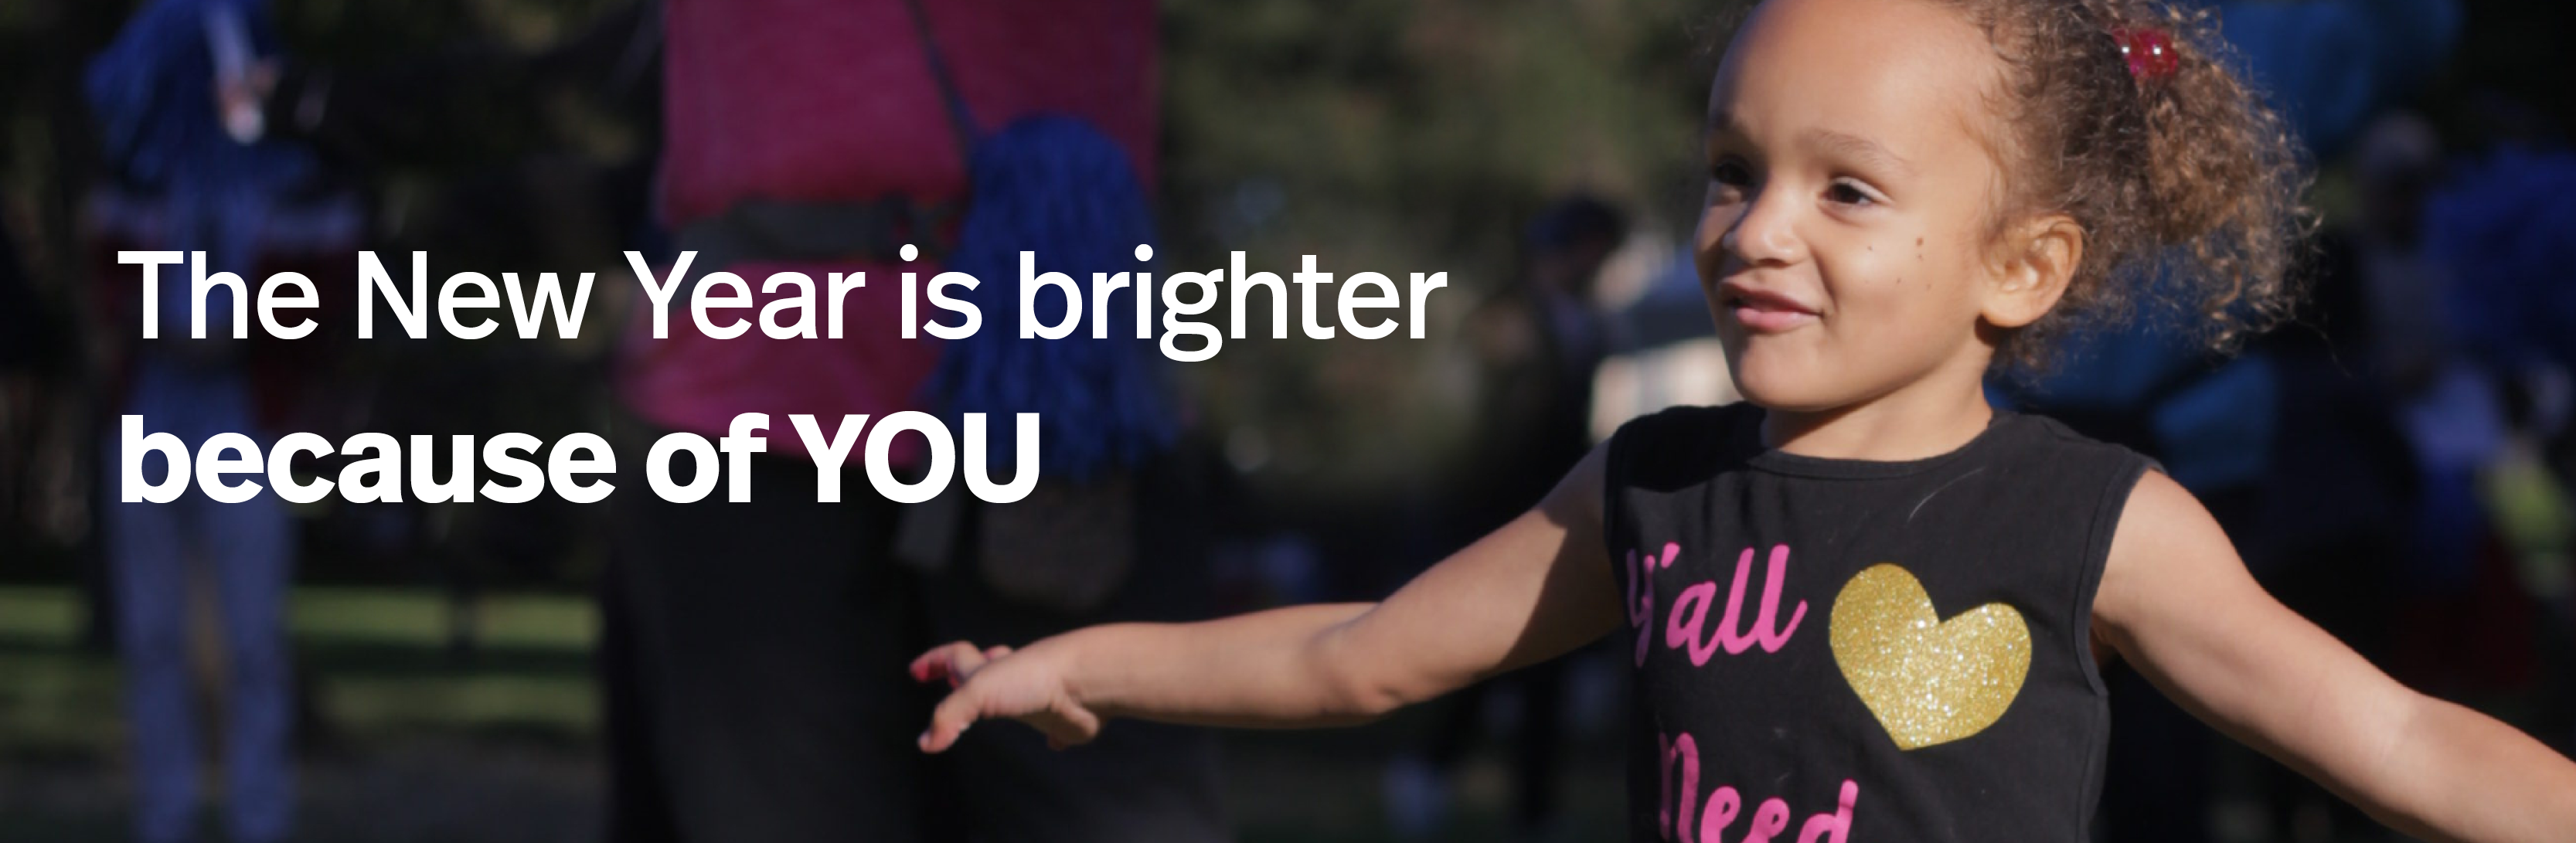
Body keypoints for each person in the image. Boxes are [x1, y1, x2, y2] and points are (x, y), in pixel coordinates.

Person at [907, 0, 2576, 839]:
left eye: (1845, 188)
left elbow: (2401, 737)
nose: (1754, 229)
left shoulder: (2101, 520)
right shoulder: (1647, 489)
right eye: (1732, 172)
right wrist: (1089, 659)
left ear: (2020, 264)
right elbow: (1366, 651)